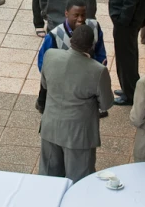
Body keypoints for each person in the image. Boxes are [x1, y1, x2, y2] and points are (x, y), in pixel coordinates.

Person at [38, 24, 113, 182]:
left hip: (50, 127)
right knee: (79, 183)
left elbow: (45, 84)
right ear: (91, 45)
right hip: (79, 135)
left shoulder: (51, 55)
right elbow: (106, 104)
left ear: (71, 39)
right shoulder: (98, 70)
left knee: (49, 181)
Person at [37, 0, 106, 71]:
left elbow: (101, 54)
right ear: (66, 14)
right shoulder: (55, 36)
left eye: (83, 15)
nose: (80, 19)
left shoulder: (94, 27)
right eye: (76, 15)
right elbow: (43, 63)